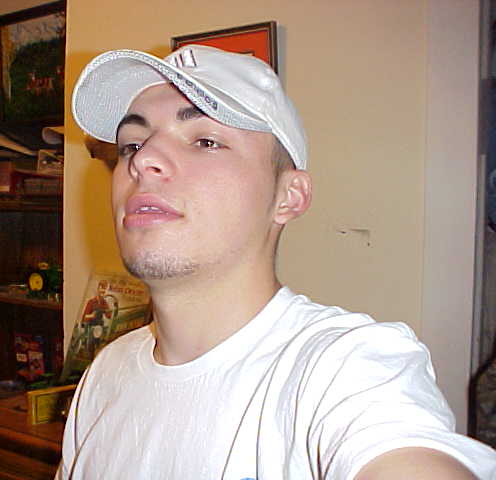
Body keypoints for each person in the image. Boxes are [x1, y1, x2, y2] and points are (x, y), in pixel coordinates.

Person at [58, 45, 496, 479]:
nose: (143, 160)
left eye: (206, 141)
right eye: (131, 145)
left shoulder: (342, 368)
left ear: (288, 196)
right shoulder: (105, 375)